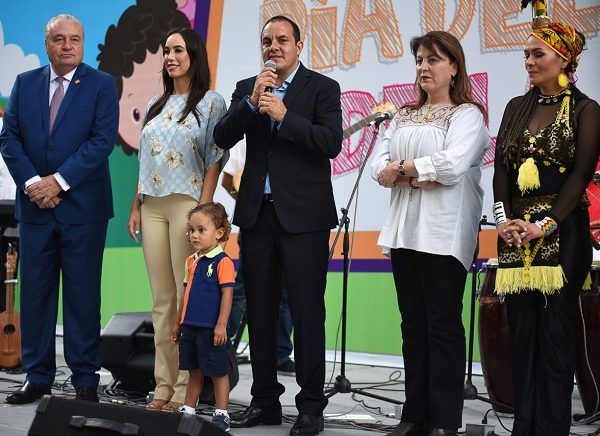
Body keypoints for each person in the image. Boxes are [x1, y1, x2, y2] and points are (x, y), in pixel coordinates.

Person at [213, 15, 342, 436]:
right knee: (262, 311)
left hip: (304, 217)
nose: (274, 47)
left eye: (282, 40)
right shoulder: (249, 88)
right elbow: (223, 135)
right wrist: (252, 103)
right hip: (256, 215)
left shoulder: (322, 88)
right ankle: (264, 400)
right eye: (267, 40)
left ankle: (309, 407)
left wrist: (285, 116)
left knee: (306, 312)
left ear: (299, 45)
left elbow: (331, 143)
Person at [371, 31, 489, 436]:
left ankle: (443, 420)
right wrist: (417, 171)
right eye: (420, 60)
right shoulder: (403, 114)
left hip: (443, 232)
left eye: (433, 60)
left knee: (441, 325)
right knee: (412, 326)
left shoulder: (467, 115)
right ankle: (414, 415)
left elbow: (453, 166)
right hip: (405, 233)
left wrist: (403, 169)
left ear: (453, 66)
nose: (423, 67)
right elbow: (377, 166)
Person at [492, 2, 600, 434]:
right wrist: (503, 221)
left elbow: (580, 175)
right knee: (521, 333)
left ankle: (552, 428)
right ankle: (525, 425)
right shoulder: (516, 106)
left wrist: (545, 224)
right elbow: (501, 169)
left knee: (555, 332)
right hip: (514, 233)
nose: (529, 61)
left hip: (564, 231)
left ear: (565, 59)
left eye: (539, 54)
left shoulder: (586, 109)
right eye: (526, 54)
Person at [0, 14, 119, 403]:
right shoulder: (25, 83)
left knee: (83, 296)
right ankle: (37, 377)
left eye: (74, 39)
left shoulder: (101, 84)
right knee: (35, 295)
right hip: (35, 209)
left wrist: (58, 182)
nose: (67, 45)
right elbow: (10, 139)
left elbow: (101, 142)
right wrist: (35, 184)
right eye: (58, 39)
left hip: (84, 209)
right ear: (47, 43)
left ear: (83, 43)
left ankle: (85, 378)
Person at [127, 27, 227, 412]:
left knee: (188, 302)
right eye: (166, 50)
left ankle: (186, 389)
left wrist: (202, 212)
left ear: (194, 55)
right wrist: (136, 205)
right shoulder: (155, 102)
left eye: (178, 50)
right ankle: (162, 387)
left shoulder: (211, 102)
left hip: (187, 205)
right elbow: (144, 162)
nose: (170, 56)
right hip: (151, 205)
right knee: (162, 301)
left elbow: (214, 160)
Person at [221, 138, 295, 375]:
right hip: (255, 225)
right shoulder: (245, 140)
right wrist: (252, 202)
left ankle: (281, 354)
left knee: (286, 292)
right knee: (244, 288)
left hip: (290, 224)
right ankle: (221, 343)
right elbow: (226, 180)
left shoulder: (293, 133)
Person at [172, 202, 234, 432]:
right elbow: (185, 294)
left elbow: (228, 294)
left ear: (219, 233)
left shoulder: (223, 261)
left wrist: (221, 325)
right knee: (194, 369)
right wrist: (178, 322)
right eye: (191, 230)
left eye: (201, 230)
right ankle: (188, 408)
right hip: (190, 327)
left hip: (211, 329)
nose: (194, 235)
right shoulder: (191, 260)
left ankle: (221, 413)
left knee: (218, 371)